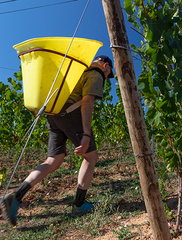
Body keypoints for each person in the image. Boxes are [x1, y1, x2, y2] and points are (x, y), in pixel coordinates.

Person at [0, 55, 114, 226]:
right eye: (109, 73)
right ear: (106, 66)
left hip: (53, 115)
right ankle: (79, 204)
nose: (107, 77)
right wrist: (86, 135)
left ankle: (16, 196)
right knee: (91, 157)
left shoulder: (76, 71)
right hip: (71, 115)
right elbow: (87, 102)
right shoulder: (95, 73)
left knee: (53, 160)